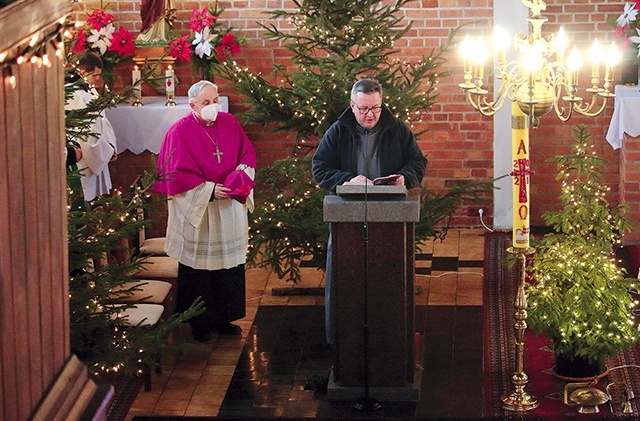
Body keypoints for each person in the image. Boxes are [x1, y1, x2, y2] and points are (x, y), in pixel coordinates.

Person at [312, 78, 427, 343]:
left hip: (389, 217)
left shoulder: (397, 129)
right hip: (348, 217)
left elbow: (417, 162)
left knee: (387, 279)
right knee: (346, 281)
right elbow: (320, 167)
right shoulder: (339, 131)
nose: (370, 115)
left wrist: (404, 178)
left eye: (375, 108)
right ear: (352, 106)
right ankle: (344, 339)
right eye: (363, 109)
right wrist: (346, 180)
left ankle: (389, 336)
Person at [153, 80, 257, 342]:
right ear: (192, 106)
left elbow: (247, 155)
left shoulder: (229, 123)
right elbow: (174, 175)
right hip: (201, 211)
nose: (213, 106)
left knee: (228, 268)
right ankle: (199, 323)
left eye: (215, 100)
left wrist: (238, 180)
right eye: (206, 103)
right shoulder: (179, 132)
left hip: (228, 208)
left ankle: (224, 318)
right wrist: (210, 191)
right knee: (200, 270)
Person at [65, 52, 118, 202]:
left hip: (99, 151)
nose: (97, 79)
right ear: (83, 72)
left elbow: (103, 121)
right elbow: (86, 133)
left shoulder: (88, 90)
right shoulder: (76, 94)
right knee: (88, 203)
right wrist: (106, 150)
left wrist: (110, 145)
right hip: (85, 160)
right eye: (95, 75)